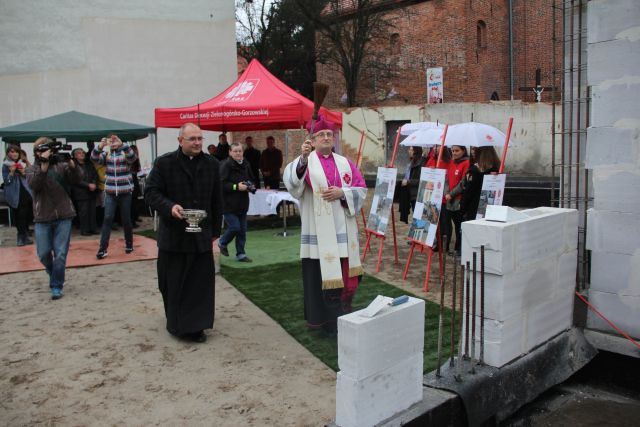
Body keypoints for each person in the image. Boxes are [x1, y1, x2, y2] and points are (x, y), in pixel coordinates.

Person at [283, 115, 367, 334]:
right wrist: (302, 159)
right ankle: (321, 321)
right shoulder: (305, 161)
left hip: (342, 232)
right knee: (317, 279)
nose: (326, 138)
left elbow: (361, 189)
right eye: (321, 135)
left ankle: (341, 317)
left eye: (330, 134)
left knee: (342, 279)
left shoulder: (345, 163)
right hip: (318, 236)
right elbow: (292, 184)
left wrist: (342, 192)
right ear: (313, 139)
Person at [144, 123, 222, 343]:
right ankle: (177, 324)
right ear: (180, 141)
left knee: (200, 284)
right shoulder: (164, 163)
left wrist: (215, 230)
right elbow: (150, 192)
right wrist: (169, 207)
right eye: (192, 139)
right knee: (173, 282)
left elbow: (217, 200)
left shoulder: (212, 165)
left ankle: (197, 326)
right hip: (174, 237)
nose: (197, 143)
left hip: (201, 237)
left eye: (200, 138)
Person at [26, 137, 81, 300]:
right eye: (43, 150)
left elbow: (77, 180)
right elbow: (35, 185)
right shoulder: (31, 169)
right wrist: (43, 167)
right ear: (37, 152)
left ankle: (56, 285)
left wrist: (73, 166)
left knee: (61, 253)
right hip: (42, 216)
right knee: (43, 253)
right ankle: (53, 273)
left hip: (64, 215)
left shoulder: (61, 165)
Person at [91, 134, 138, 259]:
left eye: (115, 141)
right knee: (107, 218)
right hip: (111, 192)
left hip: (125, 192)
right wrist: (100, 146)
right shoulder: (106, 154)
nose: (113, 143)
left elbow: (133, 158)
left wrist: (122, 145)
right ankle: (102, 249)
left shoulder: (125, 153)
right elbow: (94, 158)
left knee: (126, 219)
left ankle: (129, 244)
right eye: (110, 141)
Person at [218, 142, 254, 262]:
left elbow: (250, 179)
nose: (238, 153)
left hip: (242, 204)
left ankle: (241, 254)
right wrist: (236, 187)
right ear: (230, 152)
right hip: (228, 204)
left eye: (240, 151)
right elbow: (221, 184)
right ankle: (222, 242)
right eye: (235, 151)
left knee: (242, 231)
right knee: (234, 227)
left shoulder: (246, 164)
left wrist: (250, 186)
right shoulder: (226, 165)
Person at [457, 146, 500, 222]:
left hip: (474, 211)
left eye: (474, 149)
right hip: (491, 210)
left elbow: (468, 192)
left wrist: (462, 206)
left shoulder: (474, 170)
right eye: (472, 149)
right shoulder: (496, 167)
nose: (472, 152)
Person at [2, 145, 34, 246]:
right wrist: (11, 172)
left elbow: (31, 175)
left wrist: (23, 172)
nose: (15, 154)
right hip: (15, 194)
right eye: (12, 152)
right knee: (19, 216)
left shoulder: (21, 164)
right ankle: (20, 237)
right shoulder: (6, 165)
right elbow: (7, 182)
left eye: (16, 152)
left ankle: (24, 236)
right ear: (8, 154)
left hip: (25, 192)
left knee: (26, 215)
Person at [444, 145, 470, 255]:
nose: (454, 153)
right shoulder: (451, 162)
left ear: (463, 151)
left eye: (457, 151)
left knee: (459, 225)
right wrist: (446, 193)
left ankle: (458, 249)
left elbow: (463, 182)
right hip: (449, 199)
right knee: (447, 224)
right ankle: (447, 247)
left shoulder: (467, 163)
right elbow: (446, 179)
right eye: (453, 151)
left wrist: (452, 194)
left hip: (458, 199)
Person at [71, 148, 99, 236]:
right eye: (79, 153)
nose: (82, 154)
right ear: (75, 156)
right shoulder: (73, 166)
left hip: (91, 191)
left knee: (92, 211)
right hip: (81, 192)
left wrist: (94, 184)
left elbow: (95, 175)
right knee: (84, 212)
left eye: (83, 152)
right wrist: (88, 185)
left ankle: (93, 229)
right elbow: (75, 179)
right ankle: (85, 230)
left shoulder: (89, 164)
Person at [398, 146, 423, 224]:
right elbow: (407, 176)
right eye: (409, 149)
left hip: (417, 194)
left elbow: (421, 181)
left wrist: (408, 182)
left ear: (416, 151)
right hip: (409, 193)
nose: (409, 151)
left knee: (418, 217)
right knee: (415, 215)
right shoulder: (410, 163)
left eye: (411, 150)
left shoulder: (421, 164)